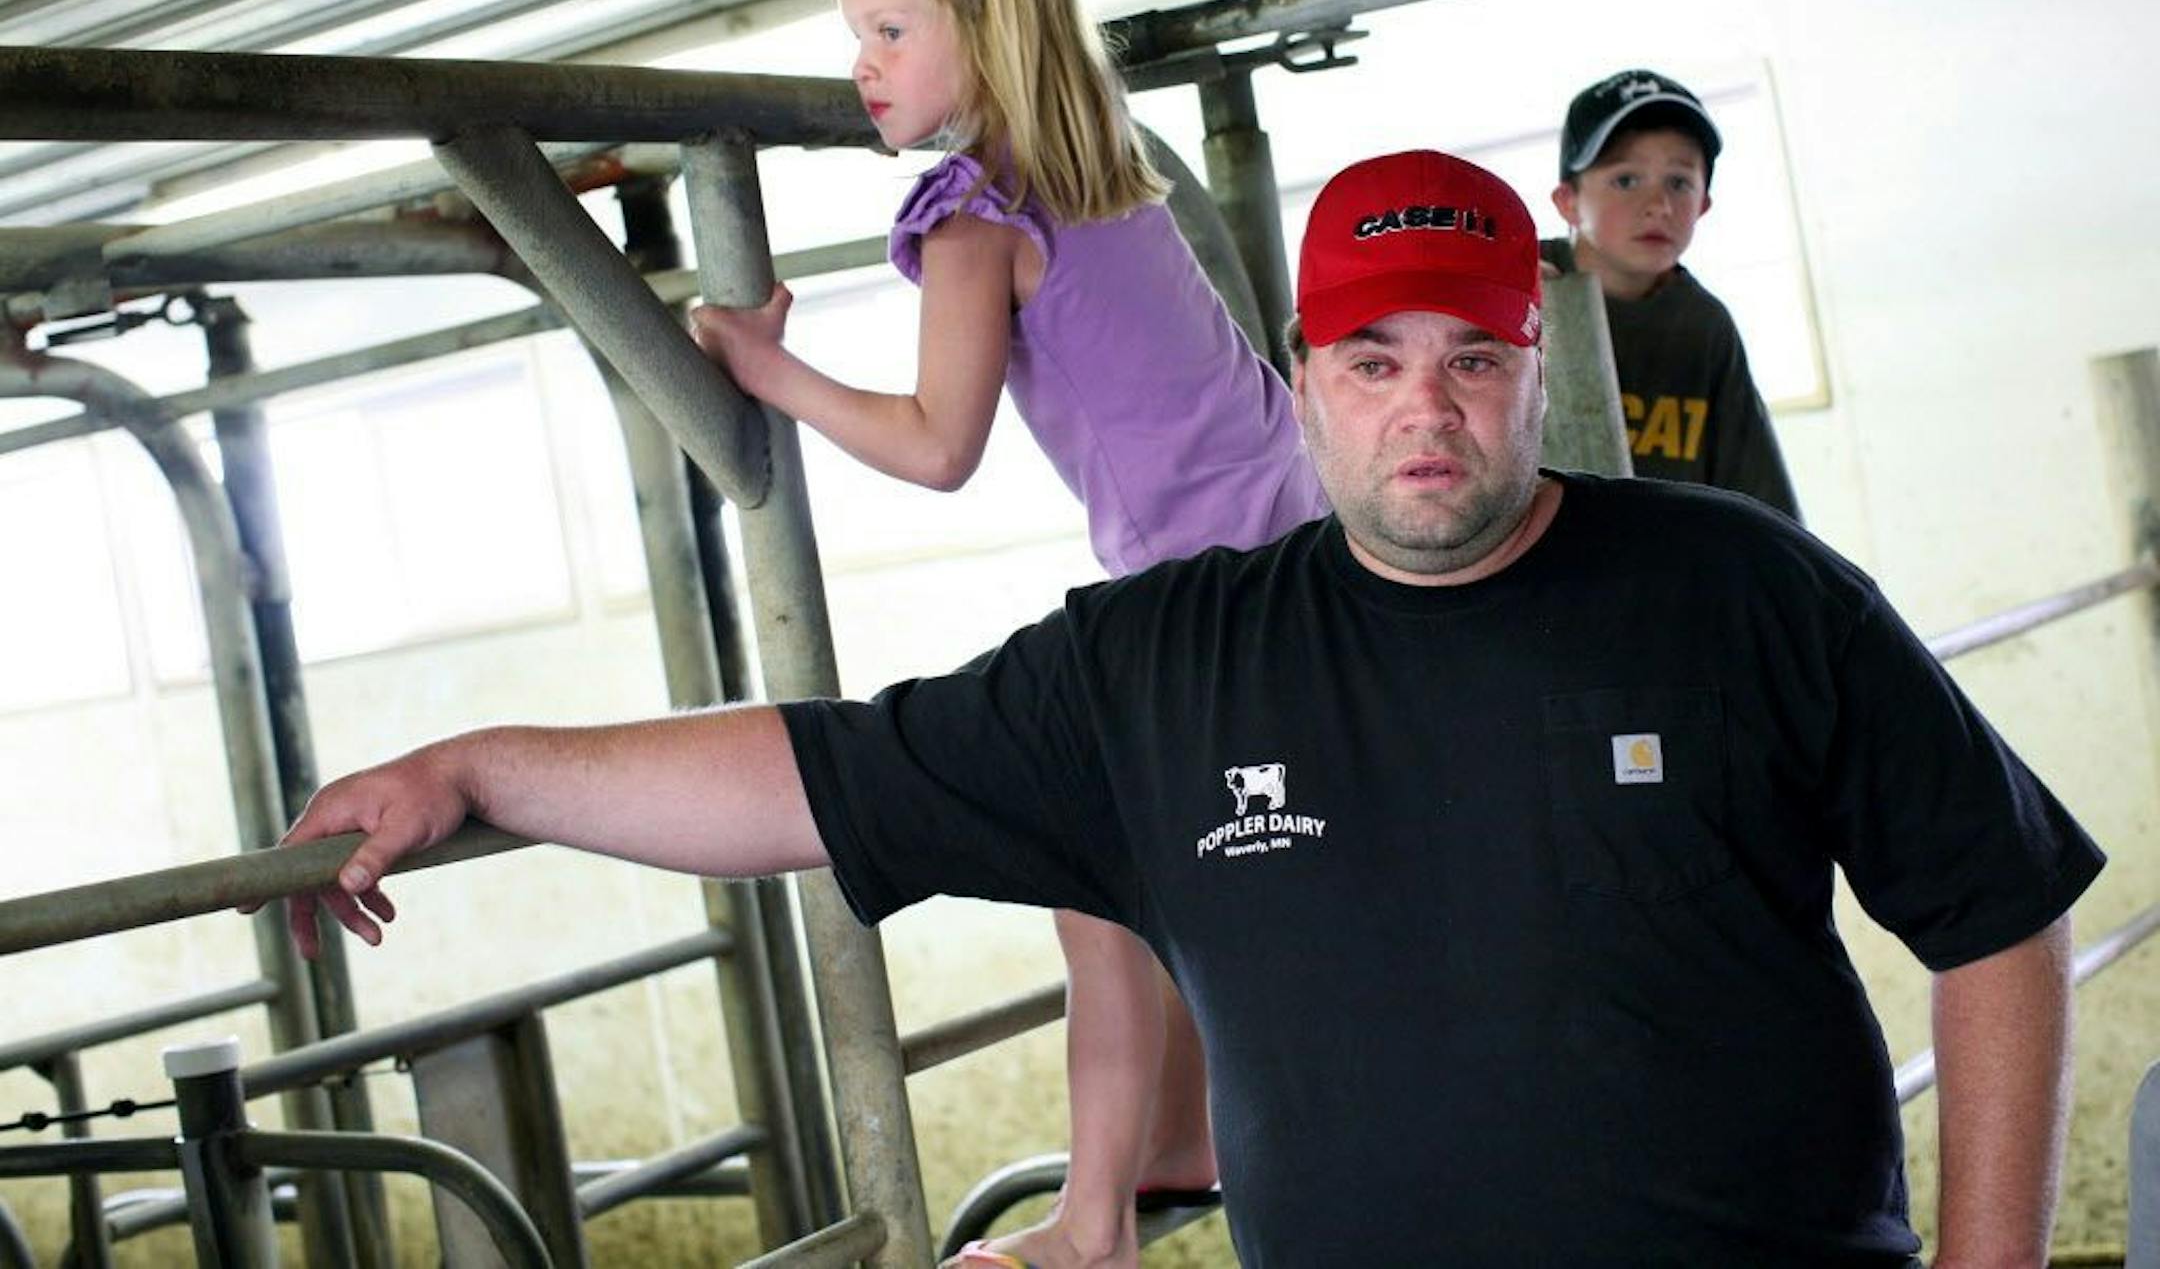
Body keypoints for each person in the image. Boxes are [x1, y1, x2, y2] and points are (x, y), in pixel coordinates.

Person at [279, 151, 2101, 1268]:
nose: (1428, 409)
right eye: (1375, 361)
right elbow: (806, 776)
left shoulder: (1742, 591)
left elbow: (1998, 906)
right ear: (1302, 381)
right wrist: (479, 763)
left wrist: (1993, 1257)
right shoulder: (1157, 663)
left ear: (1535, 365)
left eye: (1473, 357)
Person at [682, 0, 1327, 1269]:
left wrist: (764, 362)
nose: (862, 66)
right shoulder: (1105, 169)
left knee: (1092, 896)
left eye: (893, 31)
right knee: (1154, 877)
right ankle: (1180, 1139)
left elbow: (934, 447)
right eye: (856, 34)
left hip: (1197, 599)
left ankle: (1093, 1222)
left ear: (985, 23)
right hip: (1301, 553)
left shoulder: (975, 220)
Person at [1543, 67, 1803, 519]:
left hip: (1662, 576)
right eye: (1626, 180)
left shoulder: (1704, 326)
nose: (1658, 206)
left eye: (1679, 182)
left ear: (1703, 205)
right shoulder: (1515, 281)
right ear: (1568, 201)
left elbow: (1762, 505)